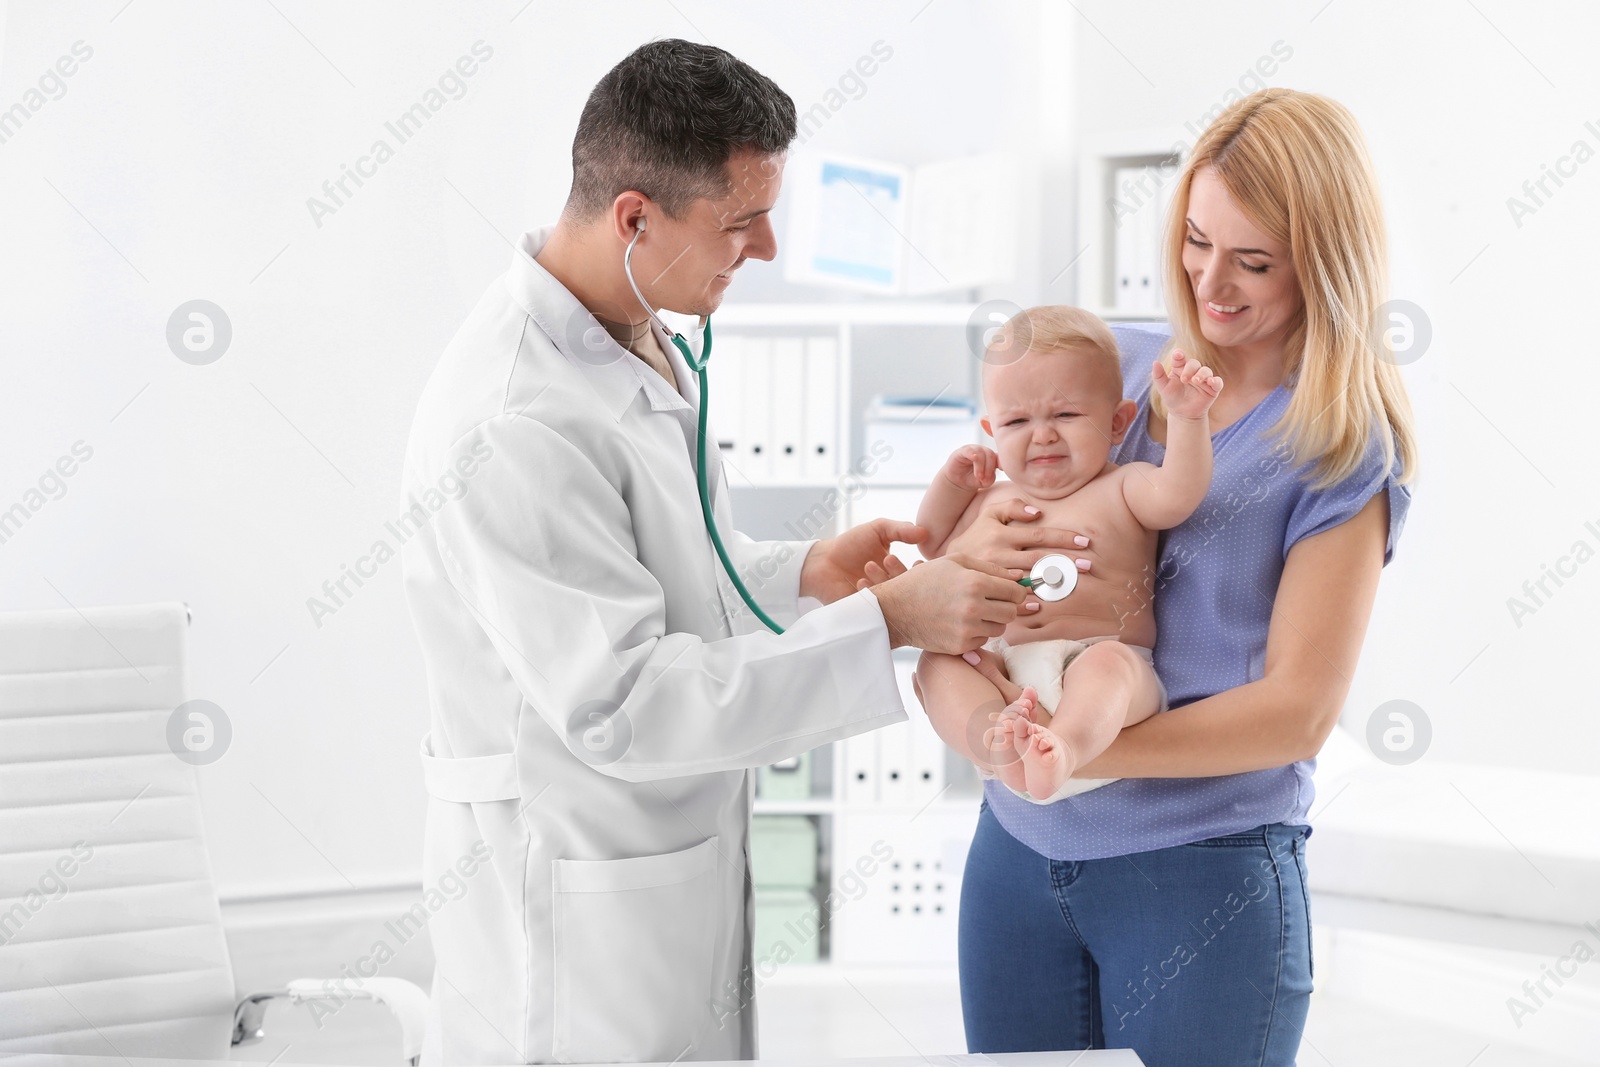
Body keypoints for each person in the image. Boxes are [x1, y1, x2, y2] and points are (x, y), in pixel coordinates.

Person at [397, 39, 1042, 1065]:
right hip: (573, 876)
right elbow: (621, 700)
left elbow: (670, 573)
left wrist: (807, 574)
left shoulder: (629, 326)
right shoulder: (514, 419)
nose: (771, 248)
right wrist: (890, 619)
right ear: (634, 217)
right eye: (741, 222)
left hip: (660, 851)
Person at [911, 89, 1417, 1066]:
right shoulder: (1113, 371)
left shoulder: (1337, 451)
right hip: (1015, 859)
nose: (1209, 282)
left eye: (1252, 261)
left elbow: (1295, 713)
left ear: (1324, 261)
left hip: (1201, 875)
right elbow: (991, 508)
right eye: (1194, 240)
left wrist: (1069, 751)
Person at [914, 305, 1224, 804]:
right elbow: (929, 542)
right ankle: (999, 748)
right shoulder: (990, 500)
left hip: (1096, 669)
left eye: (1066, 414)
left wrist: (1189, 418)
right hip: (1004, 672)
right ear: (992, 432)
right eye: (1017, 420)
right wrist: (950, 485)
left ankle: (1064, 748)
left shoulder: (1125, 485)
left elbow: (1179, 493)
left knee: (1110, 667)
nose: (1043, 434)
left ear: (1119, 421)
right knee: (936, 666)